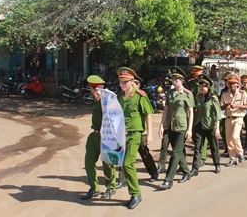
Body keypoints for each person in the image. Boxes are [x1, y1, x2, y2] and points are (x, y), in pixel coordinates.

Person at [117, 67, 154, 209]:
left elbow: (148, 114)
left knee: (128, 163)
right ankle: (132, 191)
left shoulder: (140, 95)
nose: (123, 84)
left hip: (135, 134)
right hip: (122, 135)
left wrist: (149, 133)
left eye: (126, 82)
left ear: (133, 82)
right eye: (121, 82)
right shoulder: (119, 98)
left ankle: (136, 194)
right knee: (122, 163)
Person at [158, 66, 194, 190]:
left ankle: (168, 180)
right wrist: (161, 125)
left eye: (177, 79)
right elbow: (166, 111)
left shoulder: (188, 94)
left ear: (182, 80)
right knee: (178, 152)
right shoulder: (169, 94)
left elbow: (190, 112)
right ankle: (187, 172)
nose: (174, 81)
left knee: (175, 153)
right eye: (173, 79)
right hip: (171, 126)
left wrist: (189, 129)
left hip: (181, 126)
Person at [81, 75, 116, 200]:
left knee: (107, 163)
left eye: (90, 88)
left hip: (105, 136)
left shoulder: (106, 102)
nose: (89, 90)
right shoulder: (96, 100)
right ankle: (94, 188)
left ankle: (111, 187)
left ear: (94, 88)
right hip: (94, 135)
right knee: (89, 162)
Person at [191, 74, 222, 175]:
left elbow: (217, 114)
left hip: (210, 125)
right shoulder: (198, 97)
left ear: (208, 87)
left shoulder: (213, 98)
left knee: (214, 146)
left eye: (203, 86)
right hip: (199, 124)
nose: (201, 88)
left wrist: (217, 128)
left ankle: (217, 164)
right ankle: (195, 168)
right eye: (200, 86)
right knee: (197, 146)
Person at [221, 74, 247, 166]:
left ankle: (240, 153)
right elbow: (221, 107)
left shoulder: (242, 93)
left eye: (234, 83)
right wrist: (226, 105)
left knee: (235, 136)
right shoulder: (225, 94)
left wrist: (238, 106)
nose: (232, 85)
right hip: (228, 118)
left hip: (238, 118)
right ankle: (232, 158)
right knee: (229, 140)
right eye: (230, 83)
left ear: (238, 84)